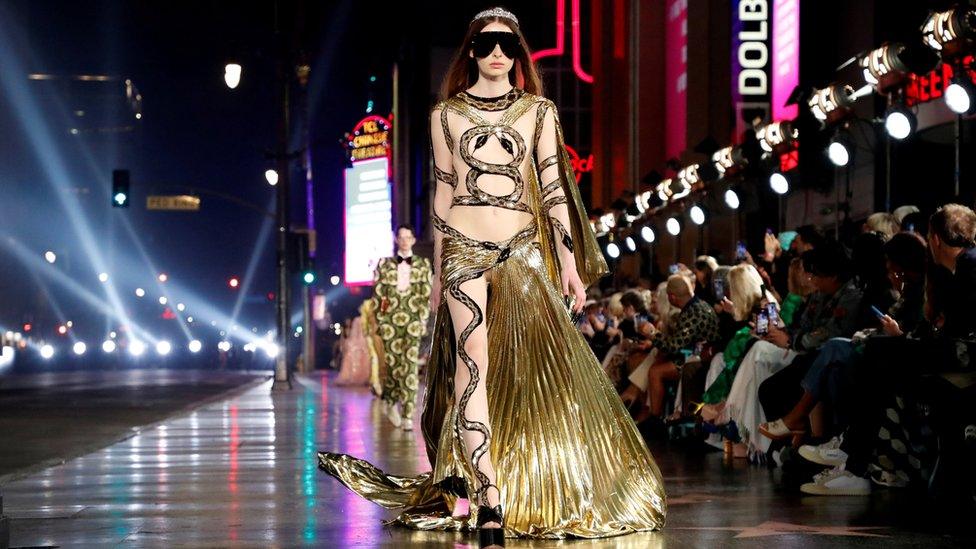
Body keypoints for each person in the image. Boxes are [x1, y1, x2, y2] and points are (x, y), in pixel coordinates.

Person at [318, 8, 665, 545]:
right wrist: (438, 269)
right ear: (472, 51)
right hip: (462, 249)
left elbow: (552, 190)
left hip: (524, 247)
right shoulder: (445, 115)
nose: (498, 51)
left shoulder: (539, 112)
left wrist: (569, 264)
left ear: (519, 52)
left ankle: (535, 478)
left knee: (530, 366)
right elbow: (442, 190)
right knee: (472, 359)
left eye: (508, 43)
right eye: (486, 43)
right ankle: (489, 495)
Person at [372, 224, 433, 431]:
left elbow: (426, 294)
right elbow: (379, 294)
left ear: (414, 240)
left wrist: (422, 320)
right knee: (393, 366)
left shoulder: (423, 264)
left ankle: (408, 414)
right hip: (390, 322)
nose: (405, 240)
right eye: (402, 237)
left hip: (413, 321)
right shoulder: (385, 264)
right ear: (396, 240)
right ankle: (390, 401)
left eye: (409, 237)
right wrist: (381, 320)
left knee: (409, 366)